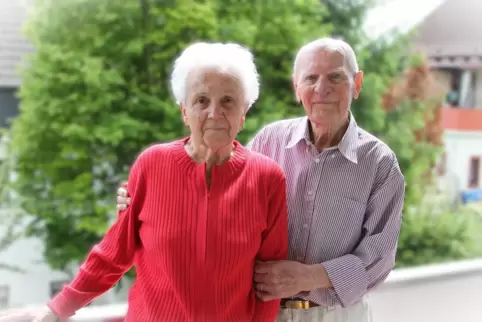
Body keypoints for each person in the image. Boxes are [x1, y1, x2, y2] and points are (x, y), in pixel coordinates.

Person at [117, 37, 405, 322]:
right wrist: (148, 197)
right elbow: (220, 197)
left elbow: (378, 258)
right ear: (296, 87)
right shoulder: (269, 141)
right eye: (311, 78)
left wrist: (308, 276)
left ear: (356, 84)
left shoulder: (380, 164)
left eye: (335, 77)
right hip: (268, 312)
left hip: (337, 315)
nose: (322, 89)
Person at [1, 42, 289, 322]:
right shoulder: (152, 164)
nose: (214, 113)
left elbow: (269, 281)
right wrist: (57, 309)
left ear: (244, 112)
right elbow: (114, 253)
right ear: (184, 112)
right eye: (201, 100)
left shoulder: (267, 179)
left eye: (228, 101)